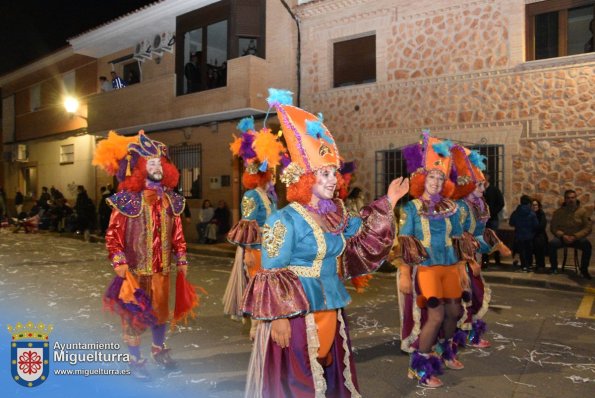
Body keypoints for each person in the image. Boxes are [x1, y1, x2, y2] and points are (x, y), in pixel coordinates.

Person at [242, 89, 408, 397]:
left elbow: (364, 233)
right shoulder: (284, 220)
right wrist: (278, 318)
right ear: (306, 179)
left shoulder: (336, 216)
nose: (333, 180)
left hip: (330, 305)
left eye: (334, 173)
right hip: (295, 310)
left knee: (325, 365)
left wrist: (390, 200)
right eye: (324, 174)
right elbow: (271, 270)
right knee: (300, 378)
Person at [94, 131, 197, 378]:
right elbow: (113, 236)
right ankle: (135, 360)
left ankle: (158, 350)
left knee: (160, 315)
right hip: (135, 273)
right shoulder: (127, 201)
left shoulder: (171, 200)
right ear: (140, 167)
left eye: (160, 163)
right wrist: (118, 261)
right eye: (151, 163)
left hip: (161, 272)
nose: (157, 167)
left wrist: (181, 257)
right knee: (134, 317)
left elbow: (178, 234)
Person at [397, 132, 478, 388]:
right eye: (431, 176)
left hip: (450, 268)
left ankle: (445, 350)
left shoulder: (451, 208)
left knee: (455, 311)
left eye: (440, 177)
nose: (435, 181)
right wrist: (402, 273)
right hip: (428, 269)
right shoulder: (411, 208)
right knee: (435, 315)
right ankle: (419, 367)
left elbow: (458, 238)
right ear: (422, 179)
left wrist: (464, 267)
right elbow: (405, 241)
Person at [224, 117, 284, 335]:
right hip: (256, 251)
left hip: (270, 251)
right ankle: (256, 328)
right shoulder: (252, 195)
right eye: (272, 172)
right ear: (263, 175)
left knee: (268, 290)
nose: (275, 176)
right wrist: (248, 252)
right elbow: (247, 226)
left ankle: (265, 325)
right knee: (258, 289)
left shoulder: (270, 197)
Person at [449, 145, 511, 349]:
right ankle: (461, 336)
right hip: (458, 259)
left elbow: (480, 232)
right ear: (468, 186)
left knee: (475, 295)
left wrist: (498, 244)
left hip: (472, 257)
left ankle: (468, 335)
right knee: (468, 296)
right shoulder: (460, 207)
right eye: (479, 185)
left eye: (483, 185)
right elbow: (458, 236)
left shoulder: (480, 204)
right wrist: (467, 260)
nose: (483, 189)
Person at [549, 190, 592, 279]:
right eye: (568, 198)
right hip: (563, 238)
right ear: (565, 199)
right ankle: (554, 268)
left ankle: (584, 270)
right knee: (552, 244)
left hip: (577, 238)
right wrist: (562, 235)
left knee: (587, 245)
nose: (570, 200)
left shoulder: (583, 211)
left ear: (576, 198)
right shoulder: (558, 212)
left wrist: (576, 236)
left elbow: (588, 227)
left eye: (573, 197)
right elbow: (553, 227)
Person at [509, 195, 538, 272]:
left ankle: (524, 266)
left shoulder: (516, 212)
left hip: (519, 235)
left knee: (522, 251)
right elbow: (536, 225)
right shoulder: (532, 213)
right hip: (530, 235)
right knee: (529, 250)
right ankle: (530, 266)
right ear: (529, 203)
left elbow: (511, 223)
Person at [482, 173, 504, 267]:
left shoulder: (494, 190)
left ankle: (497, 260)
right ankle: (485, 261)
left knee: (494, 239)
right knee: (484, 240)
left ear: (487, 179)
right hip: (482, 220)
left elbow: (501, 203)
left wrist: (492, 212)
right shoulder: (479, 190)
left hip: (493, 219)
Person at [531, 199, 548, 271]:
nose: (534, 206)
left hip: (539, 234)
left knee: (539, 242)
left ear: (538, 206)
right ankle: (528, 263)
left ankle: (540, 264)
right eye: (532, 205)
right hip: (530, 234)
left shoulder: (541, 214)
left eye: (535, 205)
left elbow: (542, 226)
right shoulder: (528, 214)